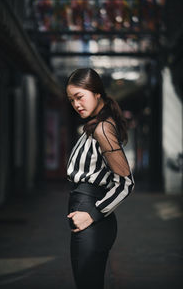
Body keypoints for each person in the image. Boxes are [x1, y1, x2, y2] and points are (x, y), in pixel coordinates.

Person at [66, 68, 135, 289]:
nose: (76, 104)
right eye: (71, 100)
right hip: (89, 218)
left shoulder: (103, 129)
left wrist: (92, 215)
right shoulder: (95, 125)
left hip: (93, 221)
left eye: (80, 97)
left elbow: (126, 183)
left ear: (97, 93)